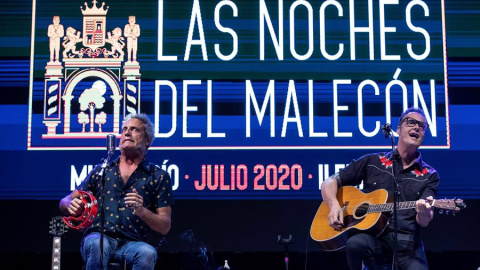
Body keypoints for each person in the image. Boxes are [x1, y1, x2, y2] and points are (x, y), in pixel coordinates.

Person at [321, 107, 439, 270]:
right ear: (398, 129)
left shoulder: (430, 174)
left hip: (408, 247)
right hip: (375, 240)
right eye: (411, 122)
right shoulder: (373, 161)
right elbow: (329, 182)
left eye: (422, 126)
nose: (417, 128)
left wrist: (425, 212)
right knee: (355, 243)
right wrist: (334, 205)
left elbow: (423, 220)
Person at [59, 113, 174, 270]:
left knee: (148, 253)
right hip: (98, 238)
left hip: (133, 244)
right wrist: (70, 205)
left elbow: (165, 226)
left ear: (147, 140)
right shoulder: (102, 170)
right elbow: (65, 201)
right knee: (98, 245)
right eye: (124, 129)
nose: (127, 133)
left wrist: (142, 211)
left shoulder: (158, 176)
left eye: (134, 130)